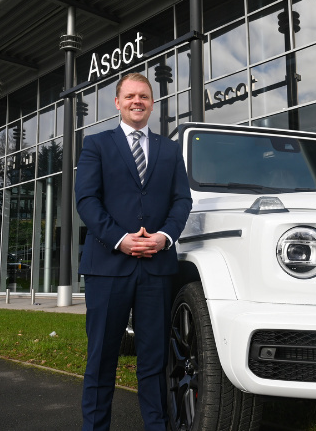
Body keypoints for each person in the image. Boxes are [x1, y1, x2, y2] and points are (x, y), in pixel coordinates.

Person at [75, 73, 192, 431]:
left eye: (143, 96)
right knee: (101, 359)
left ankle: (157, 426)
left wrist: (164, 237)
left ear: (152, 103)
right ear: (118, 103)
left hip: (156, 268)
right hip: (108, 266)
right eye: (129, 96)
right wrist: (120, 239)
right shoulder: (96, 145)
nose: (136, 101)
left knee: (154, 360)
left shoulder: (169, 150)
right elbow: (87, 200)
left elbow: (182, 201)